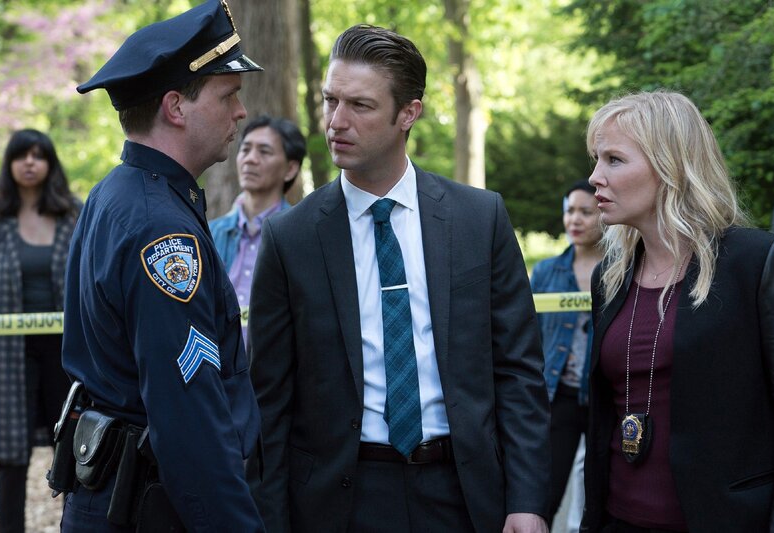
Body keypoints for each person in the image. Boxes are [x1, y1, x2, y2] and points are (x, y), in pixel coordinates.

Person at [245, 24, 550, 533]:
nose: (336, 122)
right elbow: (268, 403)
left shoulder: (479, 219)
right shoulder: (290, 238)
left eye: (360, 106)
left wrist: (527, 500)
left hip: (463, 493)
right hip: (339, 501)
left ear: (409, 113)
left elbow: (518, 372)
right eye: (330, 101)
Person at [60, 1, 265, 530]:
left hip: (115, 497)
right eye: (228, 95)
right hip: (149, 509)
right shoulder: (162, 230)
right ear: (176, 107)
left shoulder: (118, 193)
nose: (240, 112)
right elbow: (188, 420)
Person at [583, 90, 774, 532]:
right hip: (618, 519)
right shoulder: (609, 277)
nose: (595, 176)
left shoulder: (755, 262)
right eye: (597, 159)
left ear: (670, 166)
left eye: (614, 160)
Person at [0, 128, 80, 532]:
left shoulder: (74, 215)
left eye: (39, 155)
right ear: (10, 164)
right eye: (22, 155)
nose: (30, 163)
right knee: (11, 454)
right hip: (8, 354)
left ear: (51, 164)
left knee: (76, 448)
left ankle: (77, 524)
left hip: (68, 352)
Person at [530, 180, 602, 527]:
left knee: (603, 497)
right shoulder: (545, 272)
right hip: (557, 397)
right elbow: (527, 336)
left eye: (586, 212)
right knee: (543, 495)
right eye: (570, 210)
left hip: (606, 399)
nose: (575, 219)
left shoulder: (625, 268)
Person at [210, 115, 305, 343]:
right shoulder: (210, 234)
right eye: (245, 150)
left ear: (290, 169)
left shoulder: (302, 235)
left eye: (264, 151)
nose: (250, 159)